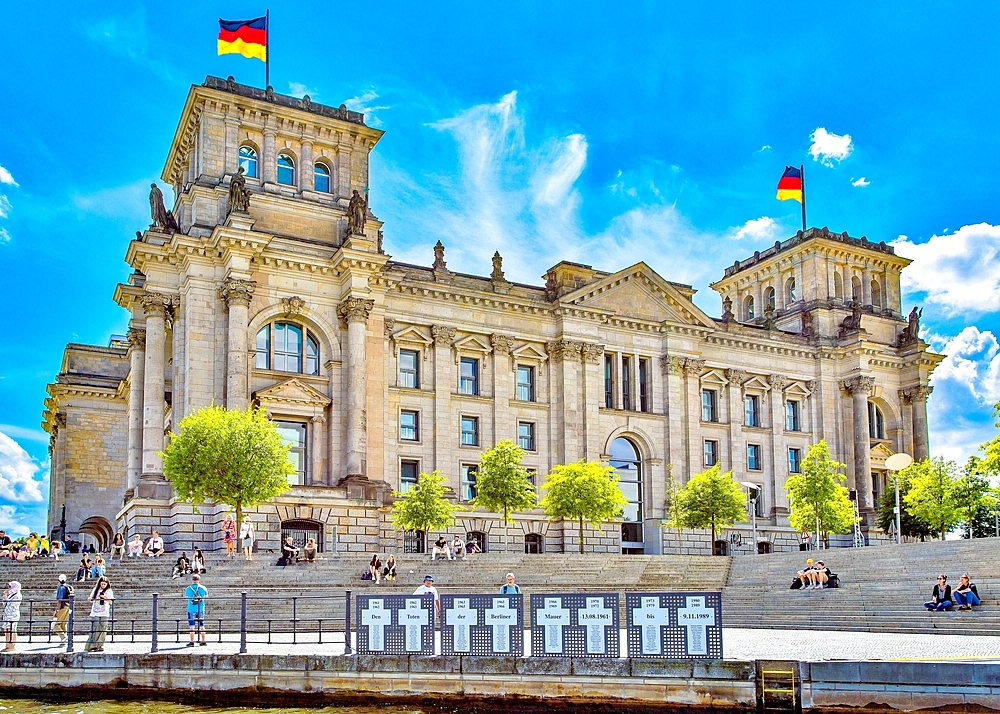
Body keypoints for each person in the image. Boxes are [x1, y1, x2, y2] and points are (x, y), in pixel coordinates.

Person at [85, 576, 114, 652]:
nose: (103, 585)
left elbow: (111, 602)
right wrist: (90, 599)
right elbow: (91, 598)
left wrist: (105, 597)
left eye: (104, 584)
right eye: (102, 584)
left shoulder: (109, 591)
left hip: (104, 612)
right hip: (95, 612)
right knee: (96, 627)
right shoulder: (96, 589)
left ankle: (100, 645)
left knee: (103, 628)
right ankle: (93, 645)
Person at [185, 574, 208, 647]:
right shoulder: (203, 588)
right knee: (201, 625)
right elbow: (206, 596)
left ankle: (192, 641)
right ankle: (203, 640)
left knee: (192, 626)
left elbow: (186, 596)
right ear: (199, 580)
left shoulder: (188, 588)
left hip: (191, 608)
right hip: (200, 608)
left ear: (192, 580)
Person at [52, 574, 72, 644]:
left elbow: (60, 600)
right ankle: (64, 641)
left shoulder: (61, 588)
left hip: (62, 606)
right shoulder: (68, 587)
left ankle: (63, 637)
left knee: (55, 625)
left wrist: (57, 610)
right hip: (68, 606)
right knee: (63, 624)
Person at [2, 581, 21, 652]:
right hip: (7, 614)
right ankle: (7, 645)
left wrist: (6, 598)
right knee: (6, 629)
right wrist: (5, 596)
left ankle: (12, 645)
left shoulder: (18, 595)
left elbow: (12, 604)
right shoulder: (11, 595)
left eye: (10, 587)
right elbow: (5, 604)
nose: (9, 588)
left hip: (13, 615)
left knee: (12, 629)